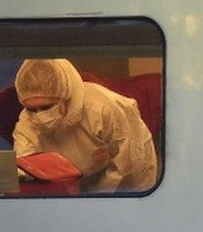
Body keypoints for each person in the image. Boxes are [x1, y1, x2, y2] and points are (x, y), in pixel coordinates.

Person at [13, 58, 158, 193]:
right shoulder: (27, 122)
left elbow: (130, 162)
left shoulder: (103, 108)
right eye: (32, 109)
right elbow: (23, 168)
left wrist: (97, 198)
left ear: (65, 95)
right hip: (71, 187)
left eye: (46, 107)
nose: (39, 115)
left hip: (126, 181)